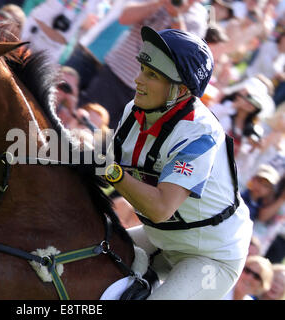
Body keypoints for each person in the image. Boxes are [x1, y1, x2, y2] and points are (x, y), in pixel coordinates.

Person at [101, 26, 253, 299]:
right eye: (142, 69)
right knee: (80, 252)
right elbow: (112, 178)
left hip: (210, 256)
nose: (138, 80)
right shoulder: (133, 110)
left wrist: (107, 168)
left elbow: (160, 207)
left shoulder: (200, 133)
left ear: (180, 90)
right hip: (161, 238)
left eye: (152, 75)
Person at [79, 0, 208, 129]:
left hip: (145, 91)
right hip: (116, 74)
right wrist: (160, 3)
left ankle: (88, 149)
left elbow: (184, 55)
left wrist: (175, 15)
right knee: (85, 120)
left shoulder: (198, 17)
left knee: (106, 137)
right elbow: (124, 17)